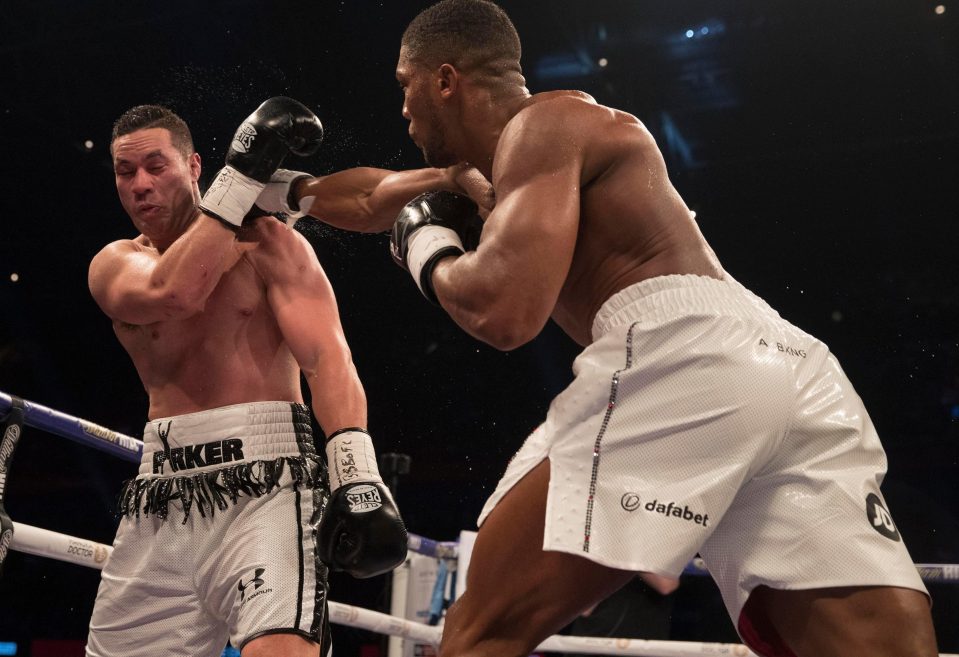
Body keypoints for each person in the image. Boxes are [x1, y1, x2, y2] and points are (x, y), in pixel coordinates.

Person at [387, 2, 940, 656]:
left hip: (685, 352)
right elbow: (366, 197)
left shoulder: (543, 124)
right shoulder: (542, 157)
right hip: (789, 365)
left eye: (405, 84)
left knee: (480, 631)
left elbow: (502, 312)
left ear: (445, 79)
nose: (402, 109)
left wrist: (425, 245)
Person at [86, 99, 485, 657]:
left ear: (195, 167)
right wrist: (241, 180)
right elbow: (175, 293)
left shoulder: (270, 242)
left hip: (269, 485)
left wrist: (357, 476)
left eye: (157, 166)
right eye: (126, 172)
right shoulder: (115, 264)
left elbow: (328, 359)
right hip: (161, 496)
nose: (141, 184)